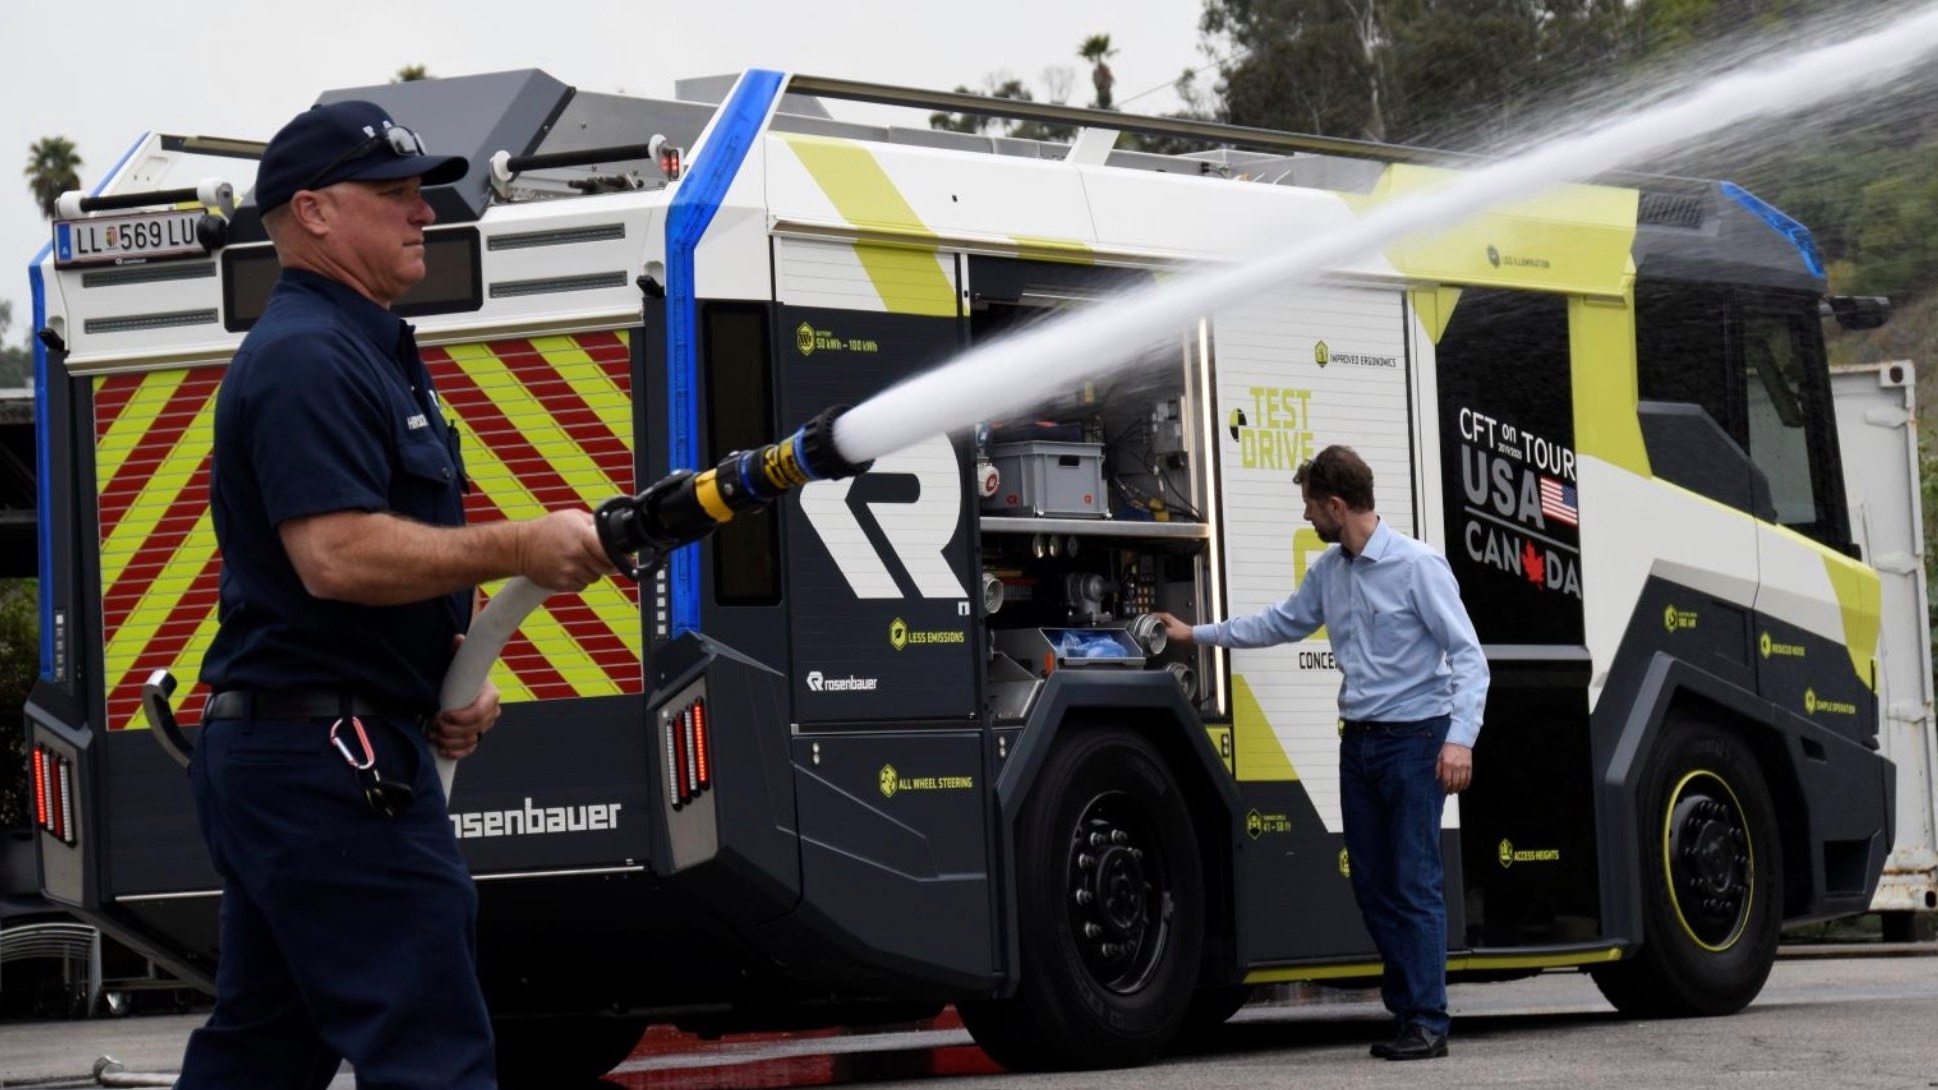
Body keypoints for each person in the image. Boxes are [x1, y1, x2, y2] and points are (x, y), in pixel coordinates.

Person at [179, 100, 616, 1090]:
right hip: (331, 765)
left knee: (264, 1050)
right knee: (431, 1057)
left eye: (420, 192)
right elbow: (334, 556)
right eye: (396, 194)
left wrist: (440, 683)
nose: (425, 212)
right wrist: (524, 544)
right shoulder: (308, 357)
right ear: (314, 212)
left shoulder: (357, 350)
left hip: (315, 751)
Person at [1155, 444, 1487, 1062]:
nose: (1306, 516)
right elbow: (1279, 623)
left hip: (1416, 742)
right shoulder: (1330, 571)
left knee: (1414, 881)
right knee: (1372, 885)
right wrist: (1194, 633)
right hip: (1359, 745)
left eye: (1310, 505)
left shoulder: (1418, 567)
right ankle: (1410, 1011)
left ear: (1336, 505)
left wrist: (1459, 739)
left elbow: (1469, 657)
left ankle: (1425, 1019)